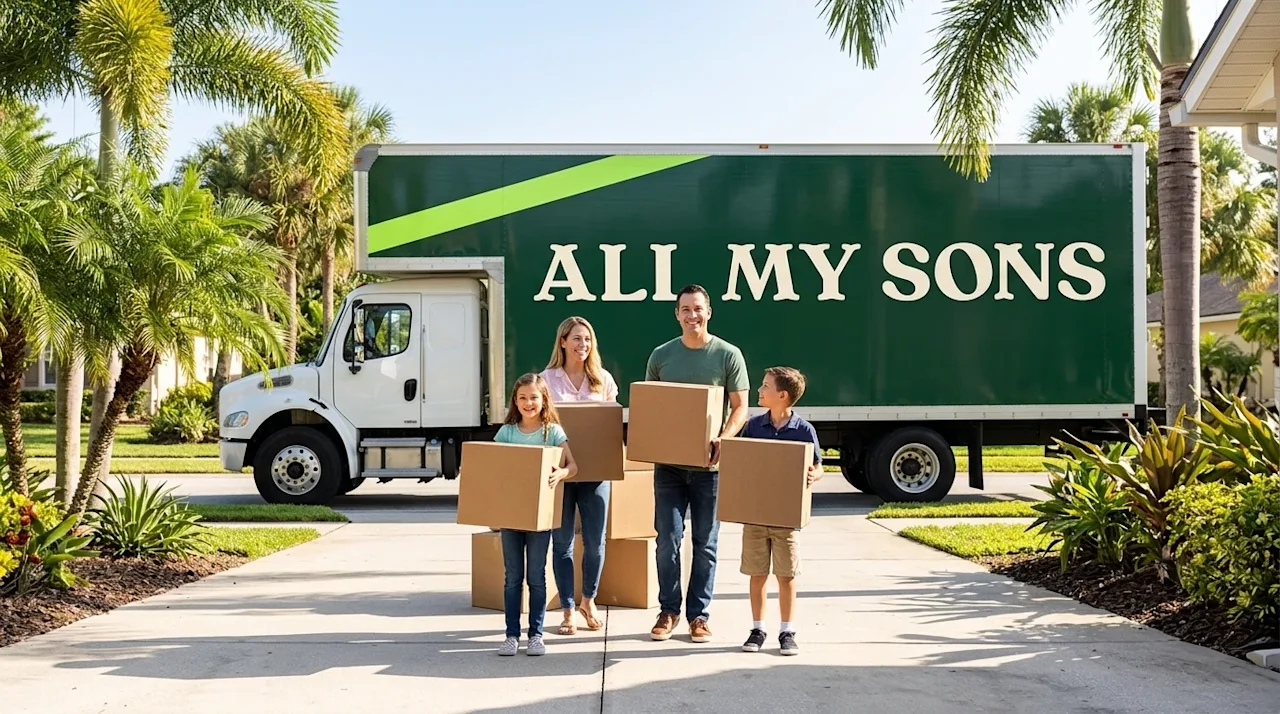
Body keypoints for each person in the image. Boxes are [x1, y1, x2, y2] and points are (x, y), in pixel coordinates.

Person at [644, 284, 749, 643]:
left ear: (709, 312)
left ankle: (698, 616)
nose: (692, 315)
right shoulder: (661, 356)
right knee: (667, 540)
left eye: (698, 309)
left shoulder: (727, 355)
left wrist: (725, 436)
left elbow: (740, 407)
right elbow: (653, 408)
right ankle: (668, 610)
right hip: (669, 467)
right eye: (685, 309)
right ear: (677, 314)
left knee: (705, 543)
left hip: (711, 468)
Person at [539, 316, 619, 635]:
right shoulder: (546, 380)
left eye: (587, 339)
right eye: (576, 339)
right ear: (562, 342)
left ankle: (589, 599)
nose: (582, 345)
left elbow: (612, 425)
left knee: (596, 542)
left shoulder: (603, 380)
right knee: (561, 543)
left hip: (596, 473)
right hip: (559, 472)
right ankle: (568, 607)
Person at [737, 367, 823, 656]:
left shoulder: (803, 430)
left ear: (782, 395)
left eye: (765, 387)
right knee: (757, 573)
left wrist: (814, 474)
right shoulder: (753, 426)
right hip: (756, 515)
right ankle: (757, 629)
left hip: (786, 519)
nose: (759, 391)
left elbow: (818, 465)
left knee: (786, 575)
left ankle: (787, 630)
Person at [493, 373, 578, 656]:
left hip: (539, 517)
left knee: (536, 577)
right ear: (515, 402)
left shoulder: (552, 432)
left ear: (543, 401)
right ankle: (511, 635)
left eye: (533, 398)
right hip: (511, 515)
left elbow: (573, 465)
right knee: (512, 576)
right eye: (522, 398)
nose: (528, 403)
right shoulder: (506, 433)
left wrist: (561, 473)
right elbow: (493, 467)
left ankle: (536, 635)